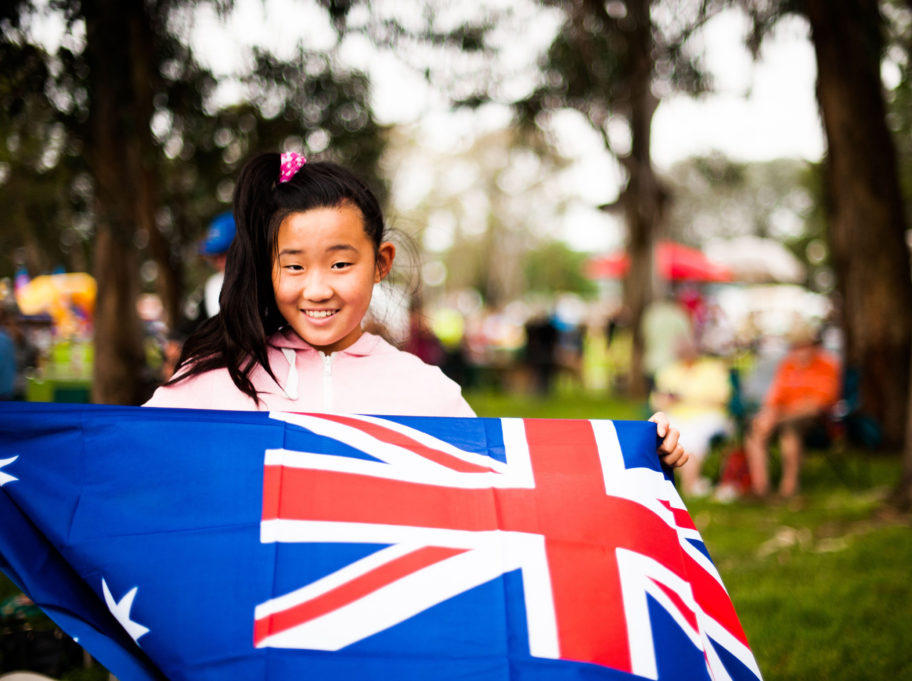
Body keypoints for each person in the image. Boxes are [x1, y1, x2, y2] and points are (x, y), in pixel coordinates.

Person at [143, 151, 689, 468]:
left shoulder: (425, 391)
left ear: (380, 263)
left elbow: (505, 481)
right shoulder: (220, 380)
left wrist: (637, 458)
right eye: (293, 267)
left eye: (339, 265)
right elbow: (124, 463)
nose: (317, 289)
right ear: (266, 269)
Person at [744, 323, 840, 498]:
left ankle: (789, 487)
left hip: (816, 423)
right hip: (783, 416)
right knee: (755, 429)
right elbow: (774, 398)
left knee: (790, 429)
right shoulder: (788, 366)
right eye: (795, 347)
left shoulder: (826, 365)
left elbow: (817, 404)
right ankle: (760, 488)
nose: (800, 351)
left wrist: (778, 417)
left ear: (814, 346)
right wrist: (767, 416)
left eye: (804, 346)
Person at [649, 339, 732, 496]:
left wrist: (686, 397)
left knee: (693, 436)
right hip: (676, 415)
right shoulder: (668, 371)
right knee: (673, 433)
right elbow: (656, 401)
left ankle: (689, 484)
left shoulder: (713, 369)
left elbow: (722, 397)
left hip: (708, 415)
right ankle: (690, 484)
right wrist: (668, 400)